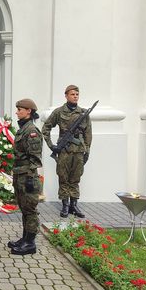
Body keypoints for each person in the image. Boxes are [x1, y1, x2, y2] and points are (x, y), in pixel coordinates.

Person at [42, 85, 92, 218]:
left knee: (75, 178)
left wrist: (87, 150)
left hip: (79, 150)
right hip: (64, 150)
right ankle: (65, 205)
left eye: (77, 94)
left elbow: (88, 134)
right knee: (63, 177)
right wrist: (51, 145)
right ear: (66, 96)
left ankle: (73, 206)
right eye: (72, 94)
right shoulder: (59, 112)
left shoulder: (84, 113)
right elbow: (46, 128)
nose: (75, 96)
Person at [8, 98, 43, 256]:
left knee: (30, 209)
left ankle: (30, 243)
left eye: (20, 109)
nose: (17, 112)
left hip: (27, 176)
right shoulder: (23, 129)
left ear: (29, 111)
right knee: (24, 208)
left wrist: (29, 178)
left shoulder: (32, 131)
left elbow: (35, 159)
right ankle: (25, 238)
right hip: (20, 174)